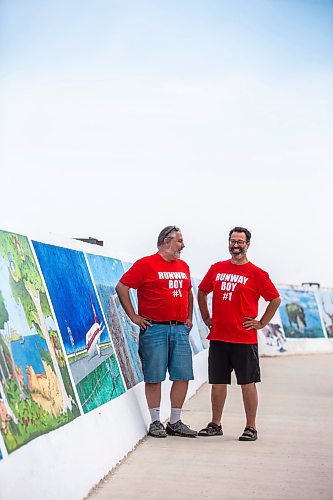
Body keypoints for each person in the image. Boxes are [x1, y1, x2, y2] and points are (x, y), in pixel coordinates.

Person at [197, 226, 281, 441]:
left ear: (247, 244)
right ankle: (216, 424)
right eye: (233, 241)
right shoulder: (217, 268)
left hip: (244, 338)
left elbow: (275, 299)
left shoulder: (257, 273)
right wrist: (207, 318)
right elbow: (202, 291)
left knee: (247, 383)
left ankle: (251, 427)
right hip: (219, 337)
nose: (235, 245)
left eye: (240, 242)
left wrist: (261, 322)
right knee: (218, 382)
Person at [116, 225, 197, 438]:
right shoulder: (145, 264)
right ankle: (155, 422)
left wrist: (189, 318)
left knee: (182, 375)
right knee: (154, 377)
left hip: (179, 329)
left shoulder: (184, 266)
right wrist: (133, 316)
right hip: (155, 328)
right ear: (166, 241)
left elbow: (189, 292)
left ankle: (175, 421)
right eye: (179, 240)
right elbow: (122, 287)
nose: (183, 245)